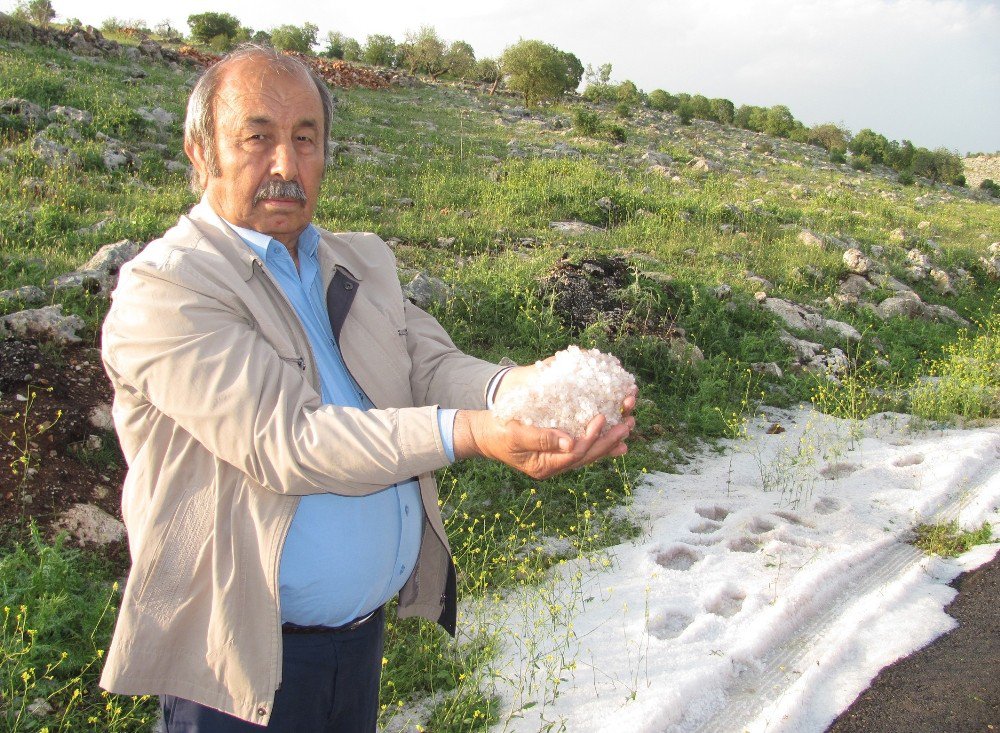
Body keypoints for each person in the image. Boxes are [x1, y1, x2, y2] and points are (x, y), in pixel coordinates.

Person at [98, 44, 634, 732]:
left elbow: (430, 365)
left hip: (358, 647)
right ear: (200, 152)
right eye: (258, 138)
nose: (286, 166)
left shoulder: (358, 259)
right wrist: (469, 433)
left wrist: (522, 391)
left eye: (305, 138)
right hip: (237, 670)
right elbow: (288, 439)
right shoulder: (167, 288)